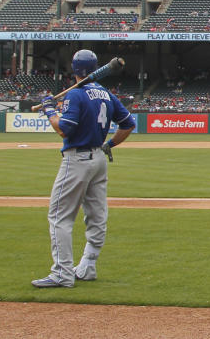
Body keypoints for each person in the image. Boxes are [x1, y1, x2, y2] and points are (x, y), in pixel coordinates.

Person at [32, 49, 136, 288]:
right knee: (97, 216)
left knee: (59, 217)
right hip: (99, 158)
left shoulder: (76, 94)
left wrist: (49, 110)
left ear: (74, 68)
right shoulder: (107, 94)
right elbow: (128, 124)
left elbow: (64, 129)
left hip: (77, 159)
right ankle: (88, 265)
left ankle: (62, 273)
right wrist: (109, 144)